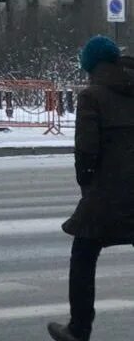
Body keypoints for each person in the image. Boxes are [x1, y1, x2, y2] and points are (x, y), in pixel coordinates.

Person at [47, 36, 134, 341]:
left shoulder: (92, 97)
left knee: (83, 254)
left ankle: (79, 329)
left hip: (106, 197)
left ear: (91, 66)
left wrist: (88, 187)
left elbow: (86, 153)